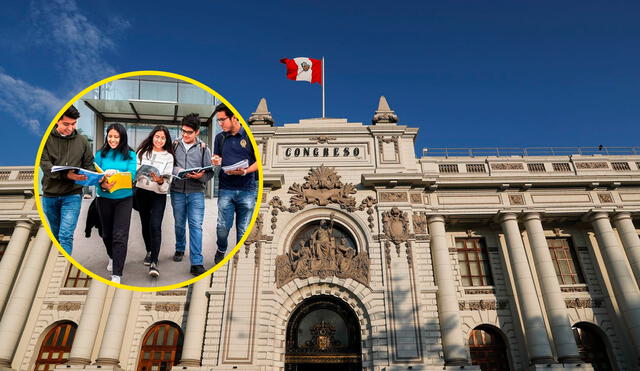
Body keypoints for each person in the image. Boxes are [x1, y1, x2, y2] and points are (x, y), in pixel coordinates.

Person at [40, 105, 94, 255]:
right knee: (56, 237)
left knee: (65, 236)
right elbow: (45, 165)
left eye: (73, 124)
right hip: (50, 195)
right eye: (66, 124)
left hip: (72, 196)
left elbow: (89, 164)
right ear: (57, 121)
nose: (70, 128)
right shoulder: (45, 140)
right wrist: (66, 175)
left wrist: (94, 177)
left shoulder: (82, 141)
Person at [211, 103, 259, 265]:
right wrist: (216, 160)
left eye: (222, 120)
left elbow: (259, 162)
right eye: (218, 121)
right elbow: (217, 157)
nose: (220, 124)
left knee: (243, 230)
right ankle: (221, 249)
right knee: (222, 228)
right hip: (226, 189)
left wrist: (245, 171)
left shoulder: (249, 136)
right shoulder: (220, 138)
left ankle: (239, 260)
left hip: (247, 189)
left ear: (234, 118)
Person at [171, 113, 214, 276]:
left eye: (189, 132)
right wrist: (178, 171)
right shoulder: (174, 145)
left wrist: (200, 176)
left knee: (196, 226)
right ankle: (180, 248)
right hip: (177, 191)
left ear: (197, 132)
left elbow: (210, 173)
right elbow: (170, 165)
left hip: (196, 193)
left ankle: (196, 262)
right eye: (183, 131)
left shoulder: (204, 149)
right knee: (179, 224)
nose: (185, 135)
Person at [95, 123, 137, 284]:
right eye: (110, 136)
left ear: (122, 137)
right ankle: (112, 256)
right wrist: (102, 183)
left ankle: (117, 275)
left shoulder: (131, 155)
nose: (112, 139)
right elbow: (94, 174)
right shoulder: (100, 154)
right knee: (106, 234)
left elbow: (132, 174)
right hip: (104, 198)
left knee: (120, 236)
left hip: (124, 199)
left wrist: (118, 174)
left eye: (116, 137)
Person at [134, 126, 174, 278]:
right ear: (152, 137)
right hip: (142, 193)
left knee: (155, 226)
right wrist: (139, 174)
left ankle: (154, 262)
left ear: (166, 140)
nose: (159, 140)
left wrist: (159, 180)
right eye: (157, 137)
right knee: (145, 224)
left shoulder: (169, 156)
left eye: (163, 138)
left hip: (158, 195)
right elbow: (135, 172)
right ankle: (149, 251)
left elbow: (167, 179)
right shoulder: (142, 152)